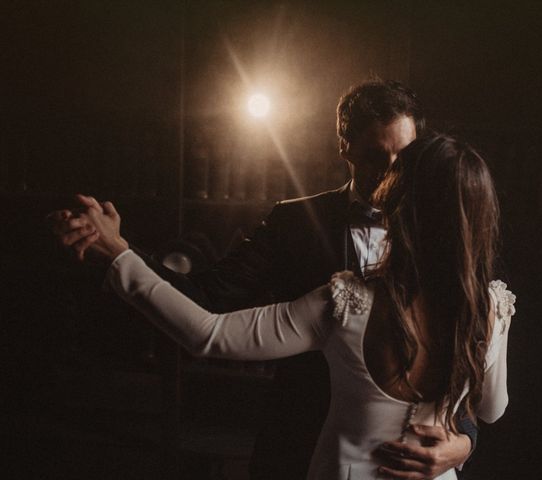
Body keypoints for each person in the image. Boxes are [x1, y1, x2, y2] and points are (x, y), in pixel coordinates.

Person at [49, 80, 478, 479]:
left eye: (401, 159)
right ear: (344, 148)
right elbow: (206, 300)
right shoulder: (295, 222)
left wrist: (465, 440)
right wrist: (121, 252)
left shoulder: (445, 233)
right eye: (373, 157)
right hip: (301, 443)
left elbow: (474, 348)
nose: (389, 173)